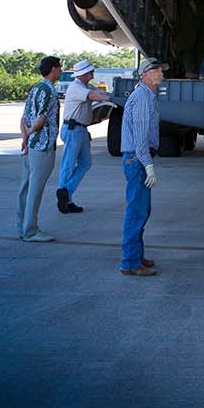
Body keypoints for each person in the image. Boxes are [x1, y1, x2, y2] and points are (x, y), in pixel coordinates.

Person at [119, 59, 166, 276]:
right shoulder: (141, 99)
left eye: (160, 70)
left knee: (141, 211)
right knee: (137, 212)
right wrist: (148, 165)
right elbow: (139, 139)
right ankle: (130, 262)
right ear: (144, 74)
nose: (160, 74)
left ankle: (136, 256)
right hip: (136, 160)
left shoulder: (147, 96)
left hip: (138, 159)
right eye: (155, 70)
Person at [16, 55, 62, 242]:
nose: (60, 70)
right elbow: (40, 119)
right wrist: (32, 130)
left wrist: (26, 138)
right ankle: (31, 230)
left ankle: (22, 226)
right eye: (59, 67)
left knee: (25, 188)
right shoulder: (50, 91)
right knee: (35, 189)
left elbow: (24, 117)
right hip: (43, 146)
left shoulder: (35, 88)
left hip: (32, 145)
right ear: (52, 69)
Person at [56, 59, 111, 214]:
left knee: (85, 163)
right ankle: (65, 197)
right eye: (91, 71)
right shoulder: (76, 87)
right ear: (84, 74)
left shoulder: (85, 86)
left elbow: (100, 93)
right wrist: (110, 98)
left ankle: (65, 192)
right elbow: (95, 96)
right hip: (74, 130)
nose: (93, 74)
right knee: (68, 165)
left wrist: (109, 95)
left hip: (80, 130)